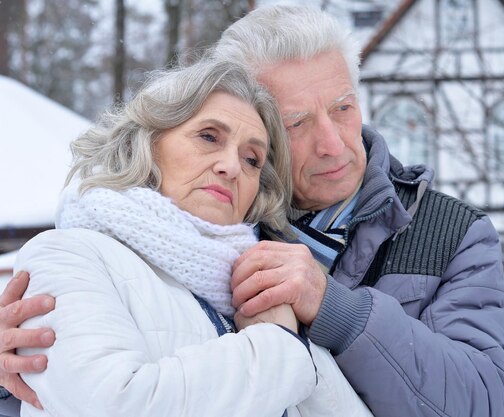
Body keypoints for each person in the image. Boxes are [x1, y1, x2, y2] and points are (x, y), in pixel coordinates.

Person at [0, 4, 504, 417]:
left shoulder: (452, 231)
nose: (336, 145)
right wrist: (21, 370)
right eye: (296, 125)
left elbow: (487, 405)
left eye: (343, 108)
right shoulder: (205, 230)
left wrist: (336, 311)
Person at [5, 57, 373, 417]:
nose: (230, 167)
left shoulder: (256, 285)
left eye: (252, 160)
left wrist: (296, 341)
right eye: (209, 137)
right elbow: (113, 404)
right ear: (148, 142)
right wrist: (277, 345)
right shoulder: (68, 255)